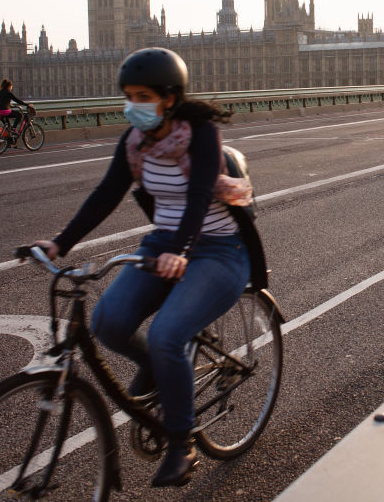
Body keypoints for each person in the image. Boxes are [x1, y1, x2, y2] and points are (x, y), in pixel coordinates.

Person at [31, 48, 252, 488]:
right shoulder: (135, 141)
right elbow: (106, 194)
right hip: (164, 244)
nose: (133, 105)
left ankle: (180, 442)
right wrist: (60, 243)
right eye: (128, 96)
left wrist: (183, 249)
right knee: (108, 322)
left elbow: (197, 197)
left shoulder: (201, 134)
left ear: (169, 98)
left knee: (169, 333)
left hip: (219, 249)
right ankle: (155, 365)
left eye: (143, 96)